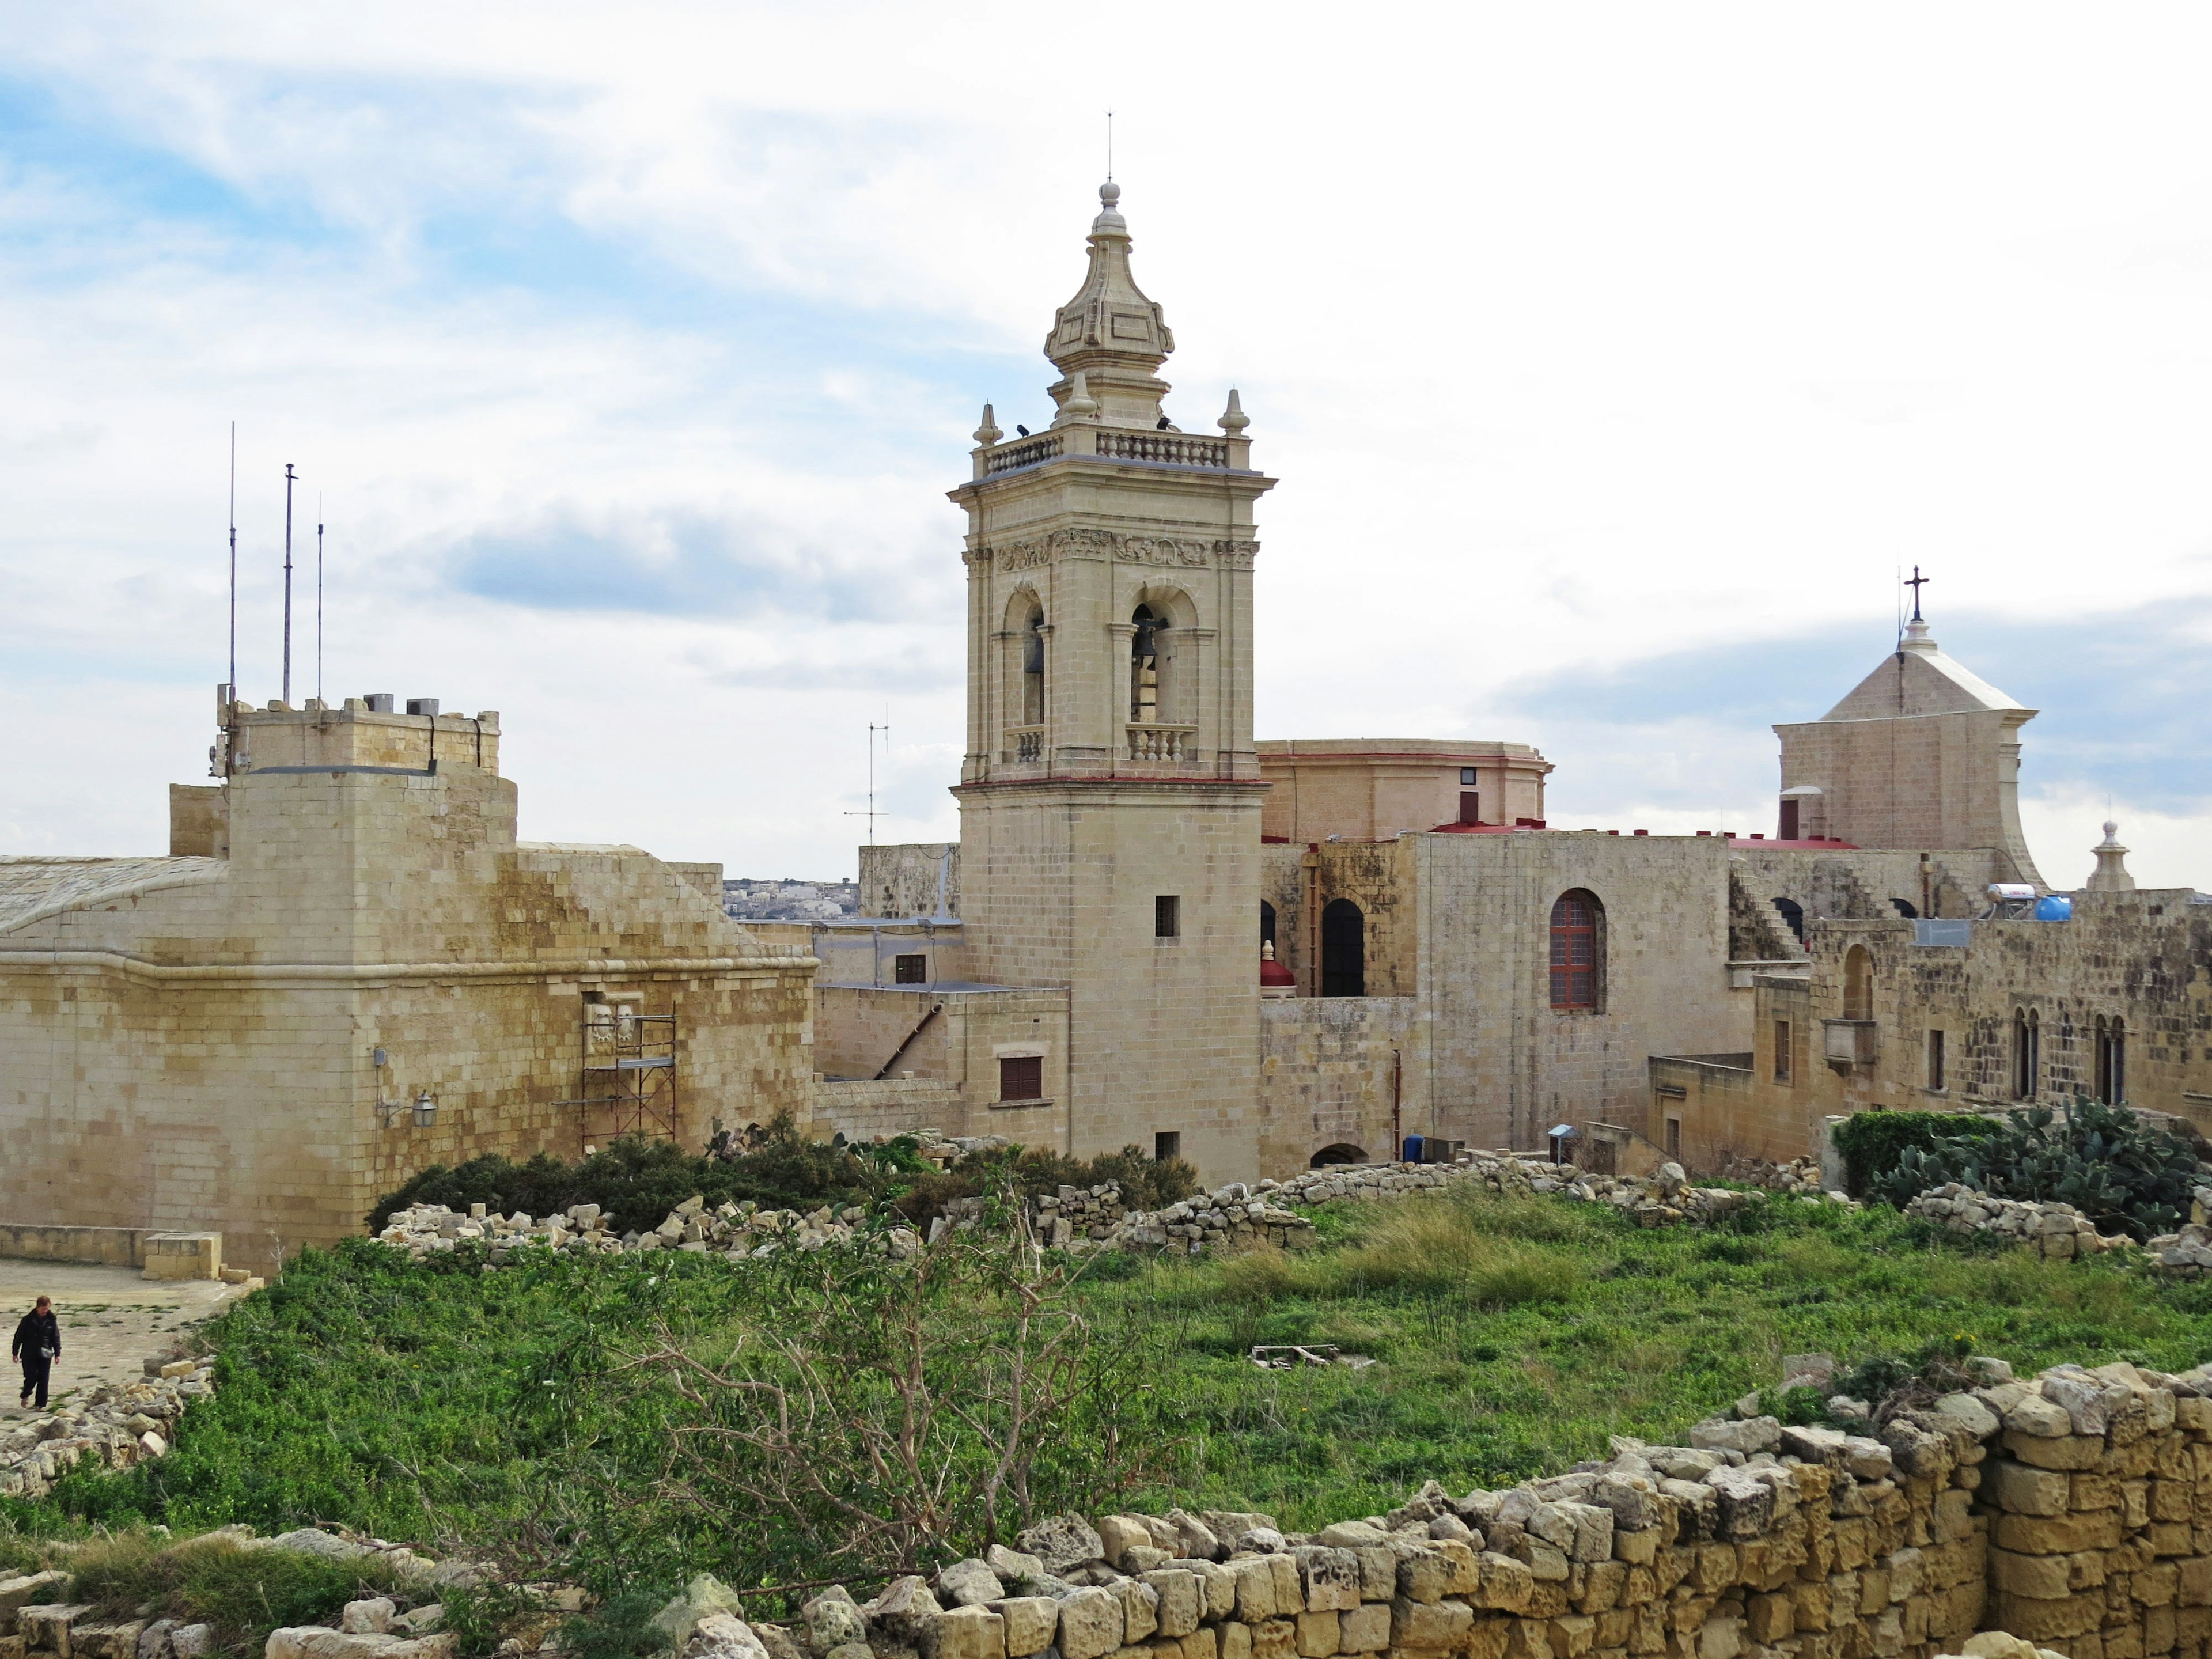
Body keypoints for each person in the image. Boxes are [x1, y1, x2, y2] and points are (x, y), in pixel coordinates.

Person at [12, 1296, 59, 1410]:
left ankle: (40, 1404)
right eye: (43, 1309)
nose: (45, 1311)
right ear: (38, 1308)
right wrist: (15, 1352)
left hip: (45, 1352)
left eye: (47, 1309)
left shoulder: (52, 1320)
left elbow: (55, 1337)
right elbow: (19, 1337)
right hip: (29, 1353)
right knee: (31, 1377)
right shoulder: (27, 1320)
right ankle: (26, 1394)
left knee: (44, 1378)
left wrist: (58, 1353)